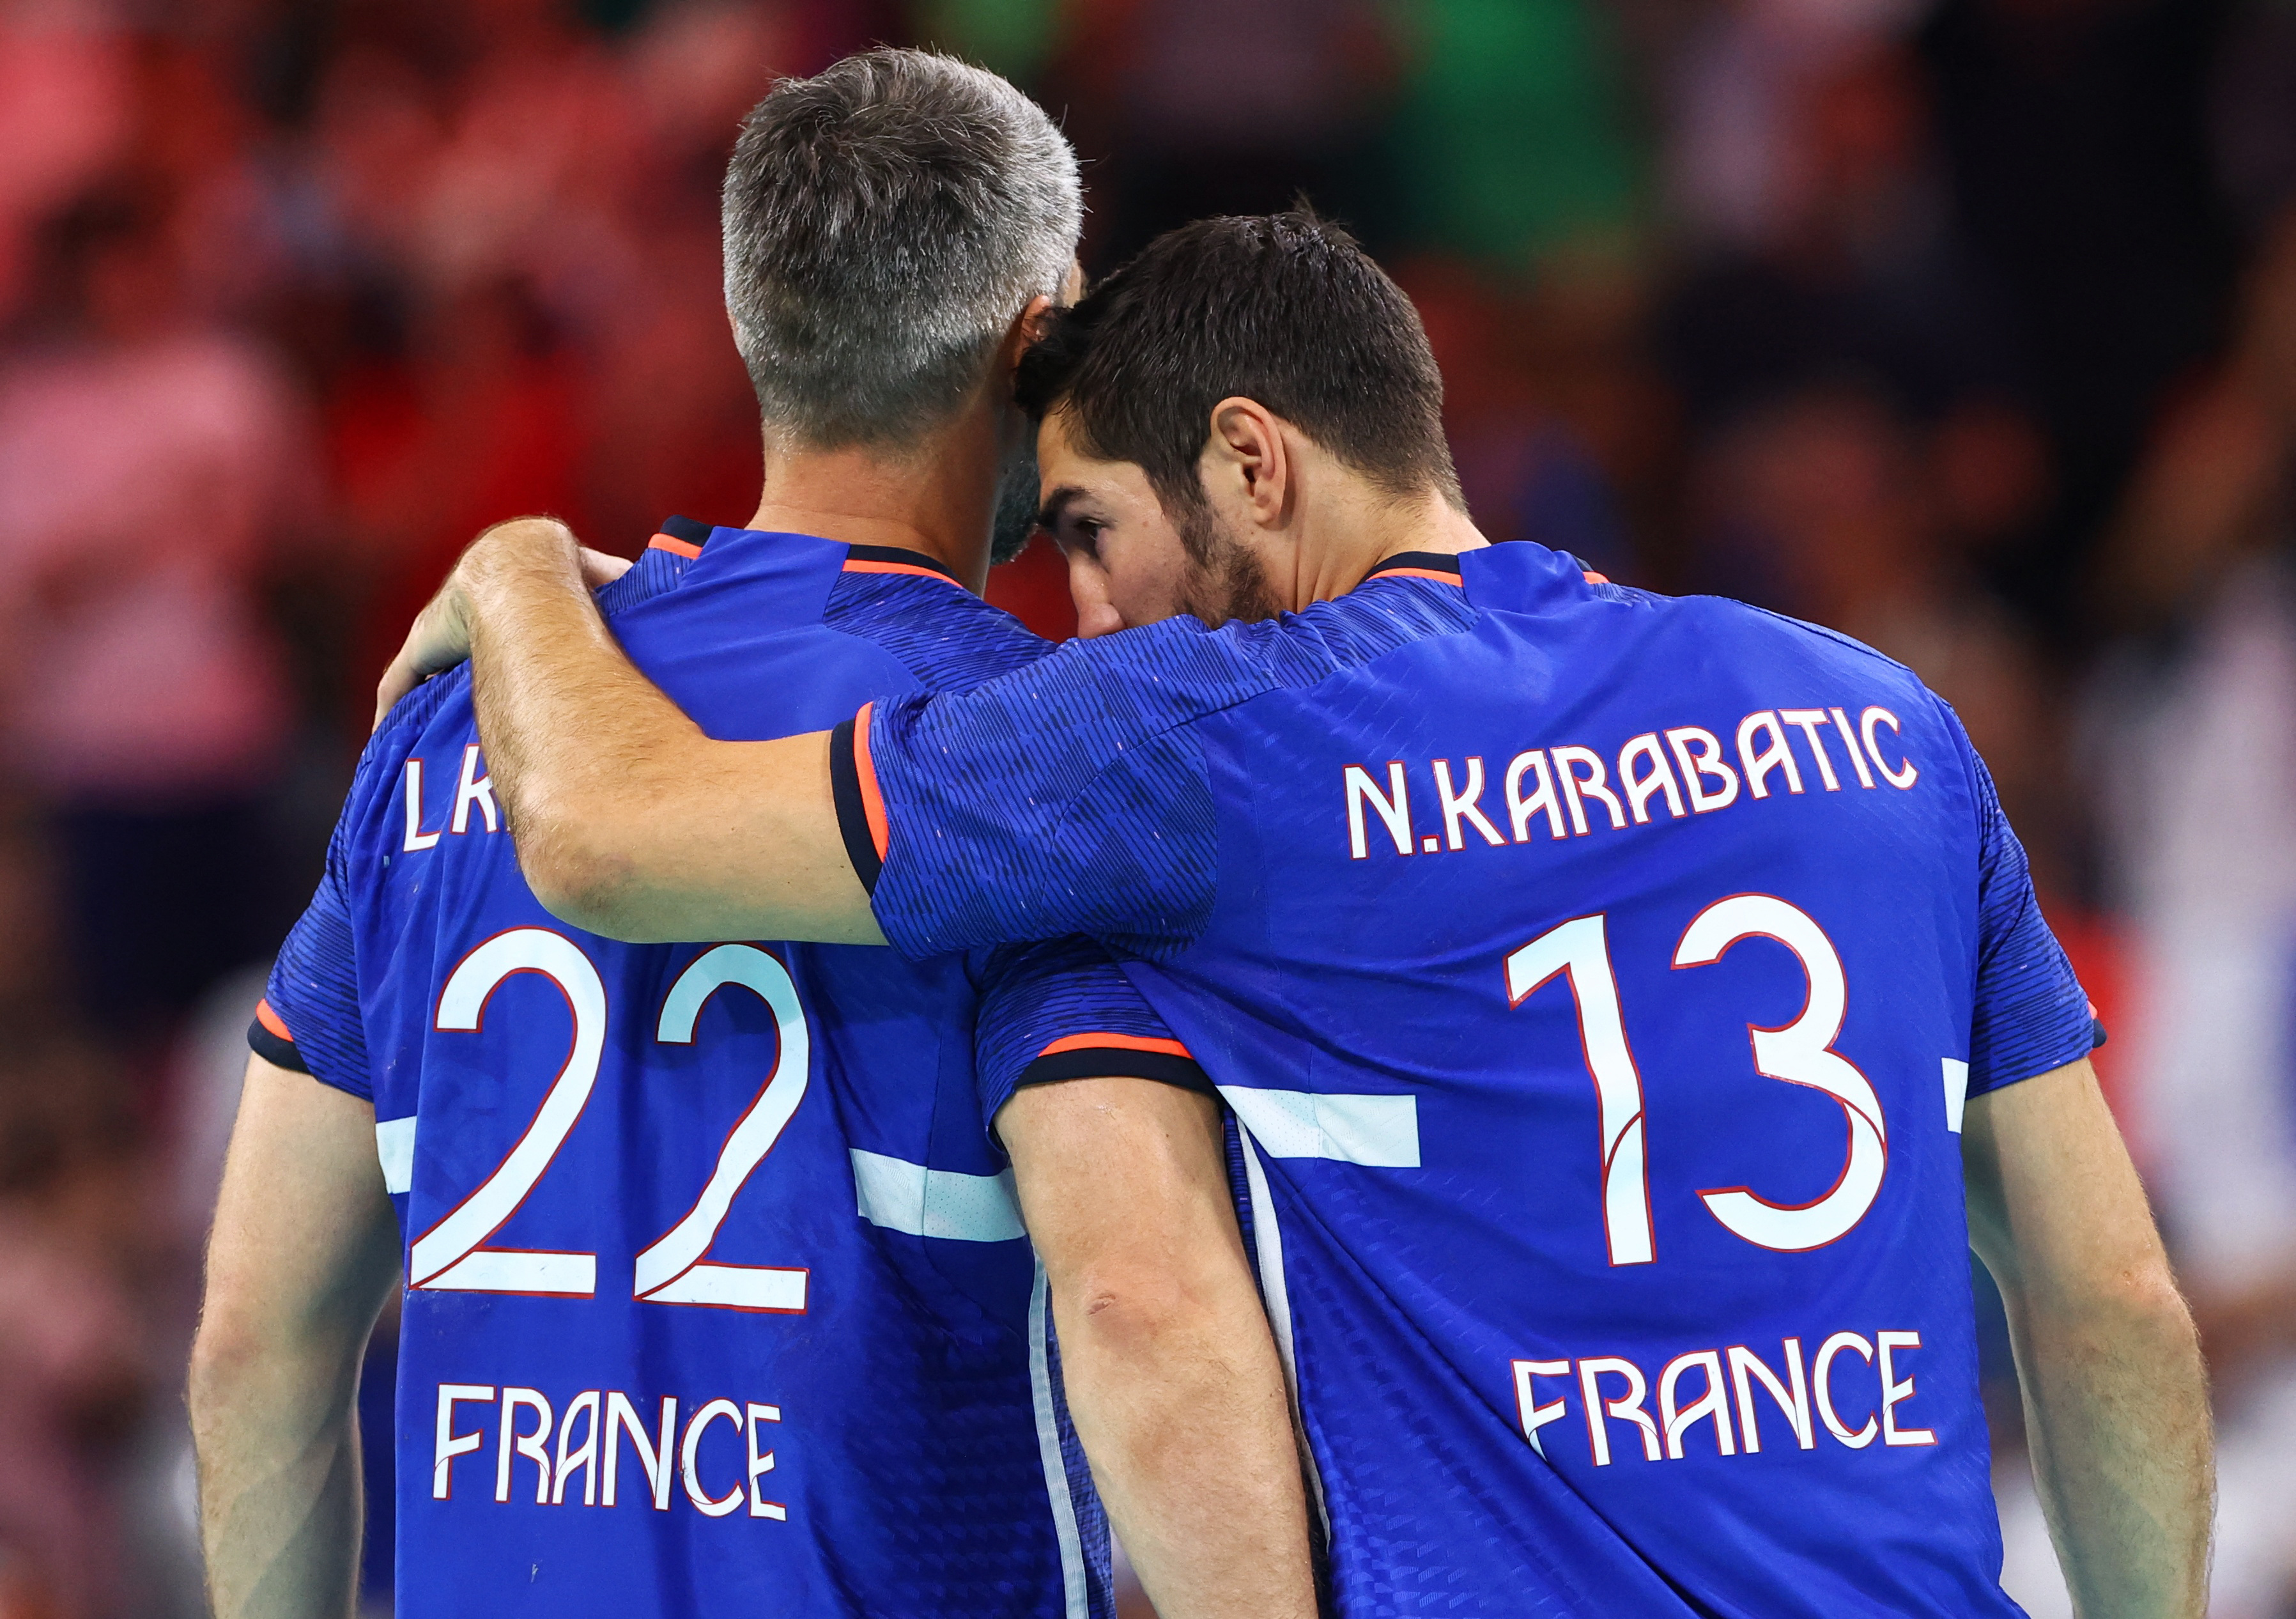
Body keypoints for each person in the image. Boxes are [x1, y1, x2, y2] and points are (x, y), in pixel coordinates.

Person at [390, 210, 2215, 1616]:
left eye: (1089, 528)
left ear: (1252, 464)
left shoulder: (1203, 737)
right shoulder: (1880, 720)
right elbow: (2110, 1299)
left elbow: (608, 834)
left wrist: (518, 566)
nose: (1083, 611)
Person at [190, 56, 1312, 1619]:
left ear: (752, 320)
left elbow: (256, 1346)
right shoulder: (1032, 761)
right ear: (1034, 341)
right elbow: (1138, 1303)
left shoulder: (453, 728)